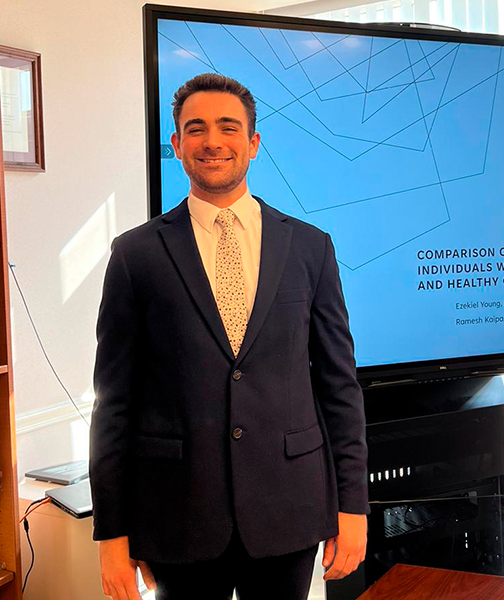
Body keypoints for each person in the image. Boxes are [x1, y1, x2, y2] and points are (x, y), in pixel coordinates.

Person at [89, 73, 369, 600]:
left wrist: (353, 506)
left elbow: (339, 386)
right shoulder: (135, 255)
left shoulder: (310, 248)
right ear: (177, 145)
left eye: (228, 127)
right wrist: (112, 533)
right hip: (177, 512)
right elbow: (114, 403)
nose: (212, 141)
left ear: (253, 143)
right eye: (195, 129)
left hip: (289, 506)